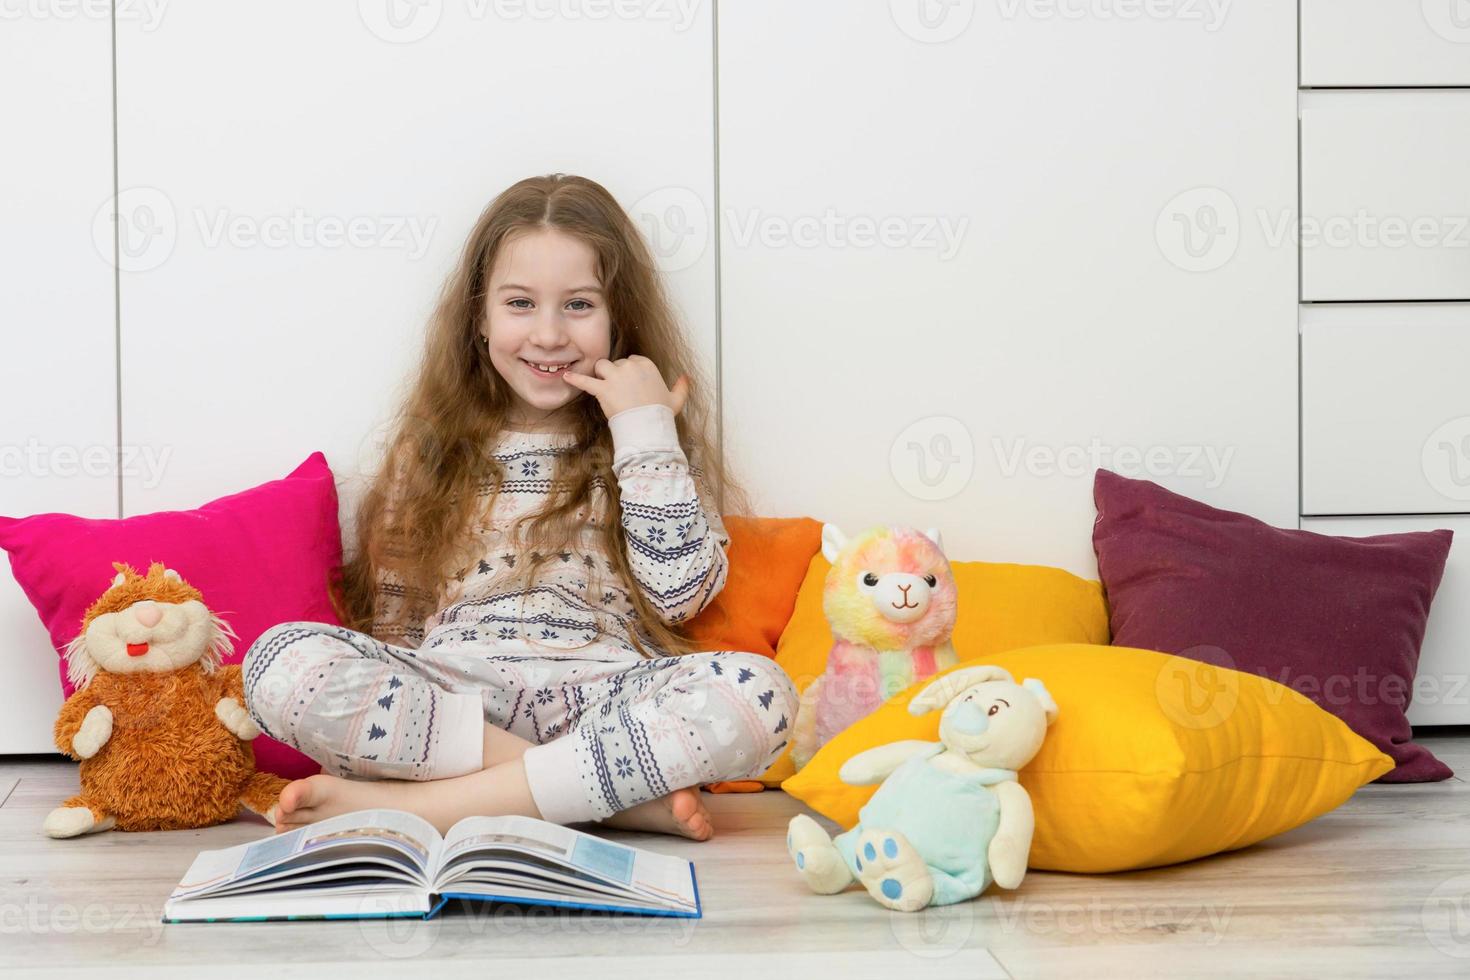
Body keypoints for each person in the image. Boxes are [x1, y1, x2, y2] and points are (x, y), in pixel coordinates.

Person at [242, 173, 797, 841]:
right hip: (460, 705)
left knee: (762, 694)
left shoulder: (644, 440)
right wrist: (399, 723)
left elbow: (681, 595)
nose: (549, 334)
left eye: (580, 305)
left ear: (619, 317)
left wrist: (646, 430)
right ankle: (597, 799)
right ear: (480, 317)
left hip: (604, 698)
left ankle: (425, 811)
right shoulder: (432, 452)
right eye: (520, 304)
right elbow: (398, 629)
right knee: (276, 661)